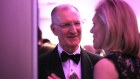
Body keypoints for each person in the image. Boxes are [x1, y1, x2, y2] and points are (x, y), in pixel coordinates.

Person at [38, 4, 101, 79]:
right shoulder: (39, 64)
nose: (73, 31)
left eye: (77, 23)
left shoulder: (99, 63)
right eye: (66, 25)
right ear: (53, 29)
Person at [90, 0, 140, 79]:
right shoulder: (136, 63)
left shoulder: (105, 66)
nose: (91, 30)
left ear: (108, 26)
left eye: (94, 24)